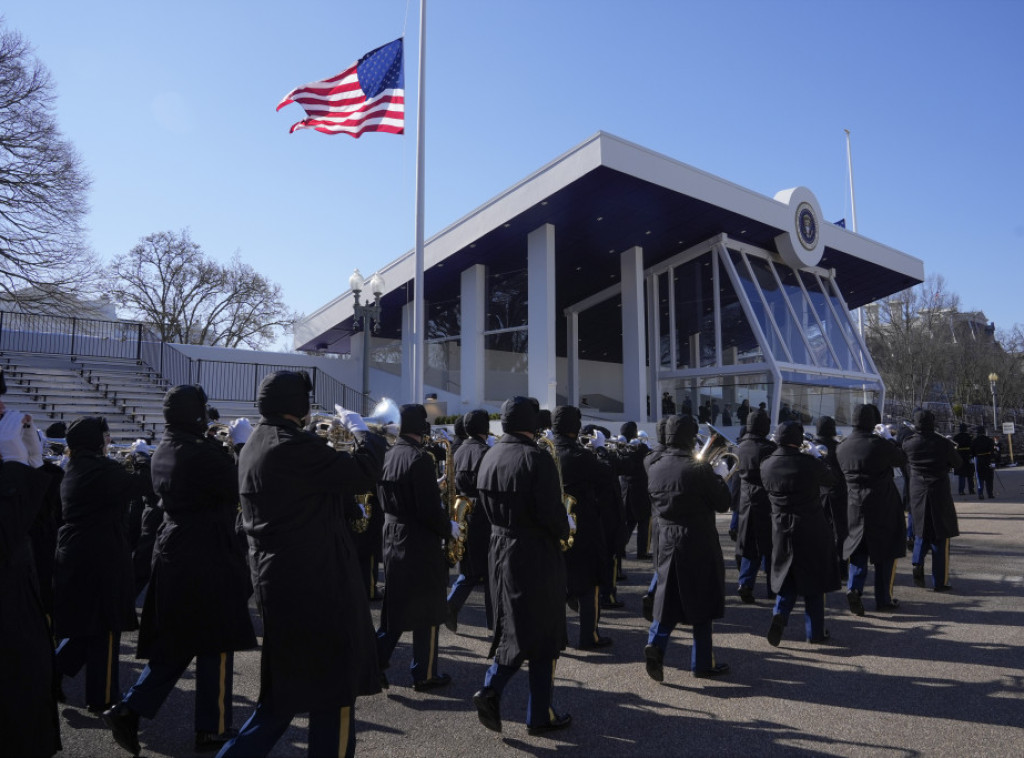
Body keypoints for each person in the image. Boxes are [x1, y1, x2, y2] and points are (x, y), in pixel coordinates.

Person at [218, 371, 386, 758]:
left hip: (281, 580)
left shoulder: (255, 443)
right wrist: (364, 432)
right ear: (301, 407)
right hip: (317, 583)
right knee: (336, 690)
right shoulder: (292, 445)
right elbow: (363, 472)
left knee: (285, 694)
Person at [102, 386, 257, 756]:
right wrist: (241, 447)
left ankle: (131, 708)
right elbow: (240, 484)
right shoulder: (199, 452)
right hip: (205, 551)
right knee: (217, 641)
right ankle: (213, 726)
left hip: (177, 547)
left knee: (184, 640)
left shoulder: (165, 448)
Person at [472, 396, 572, 735]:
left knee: (513, 624)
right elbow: (550, 511)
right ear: (533, 424)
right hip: (534, 551)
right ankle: (515, 701)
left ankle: (523, 705)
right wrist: (566, 526)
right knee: (543, 634)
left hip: (499, 547)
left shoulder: (491, 454)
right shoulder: (536, 458)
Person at [53, 417, 140, 714]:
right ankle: (103, 696)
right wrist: (141, 460)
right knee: (106, 626)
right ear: (94, 440)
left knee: (87, 626)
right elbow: (141, 486)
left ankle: (52, 671)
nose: (108, 441)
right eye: (105, 436)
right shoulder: (103, 469)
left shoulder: (75, 467)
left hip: (77, 552)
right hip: (100, 556)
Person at [643, 414, 731, 682]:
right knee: (702, 602)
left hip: (667, 539)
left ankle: (656, 644)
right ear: (691, 437)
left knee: (668, 599)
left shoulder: (655, 466)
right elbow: (723, 503)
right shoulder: (699, 469)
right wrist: (719, 477)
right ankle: (702, 663)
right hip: (698, 539)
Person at [376, 403, 455, 692]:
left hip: (393, 533)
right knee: (430, 608)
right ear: (422, 428)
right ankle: (425, 672)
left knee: (395, 609)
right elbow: (428, 511)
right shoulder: (420, 458)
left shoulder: (389, 454)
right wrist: (449, 527)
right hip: (419, 539)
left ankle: (374, 663)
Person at [0, 405, 62, 758]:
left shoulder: (12, 469)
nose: (5, 412)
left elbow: (41, 525)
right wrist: (12, 464)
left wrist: (34, 465)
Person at [761, 421, 841, 645]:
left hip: (780, 526)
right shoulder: (807, 463)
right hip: (810, 525)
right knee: (814, 582)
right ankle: (814, 632)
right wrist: (819, 457)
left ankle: (780, 612)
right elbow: (831, 480)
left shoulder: (766, 464)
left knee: (788, 576)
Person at [552, 406, 613, 650]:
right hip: (583, 524)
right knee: (590, 583)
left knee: (557, 582)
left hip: (552, 524)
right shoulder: (580, 455)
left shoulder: (545, 450)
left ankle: (558, 637)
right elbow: (607, 477)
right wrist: (600, 450)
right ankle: (590, 636)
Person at [836, 404, 907, 615]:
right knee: (885, 553)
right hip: (881, 503)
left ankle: (854, 589)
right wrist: (890, 439)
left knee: (858, 551)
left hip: (855, 504)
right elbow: (901, 459)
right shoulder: (879, 444)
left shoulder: (842, 446)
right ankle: (883, 598)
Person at [902, 409, 961, 592]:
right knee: (940, 537)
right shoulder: (942, 443)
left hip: (918, 490)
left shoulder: (908, 443)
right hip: (939, 490)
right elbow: (958, 463)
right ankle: (939, 581)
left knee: (921, 530)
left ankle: (917, 561)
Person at [446, 409, 494, 633]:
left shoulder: (458, 450)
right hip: (484, 514)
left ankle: (451, 606)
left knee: (470, 570)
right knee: (491, 572)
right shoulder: (485, 451)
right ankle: (496, 625)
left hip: (463, 511)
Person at [734, 408, 776, 603]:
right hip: (765, 499)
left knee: (749, 544)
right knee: (770, 545)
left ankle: (745, 583)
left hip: (745, 499)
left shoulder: (739, 446)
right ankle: (773, 587)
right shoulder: (768, 448)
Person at [815, 416, 848, 572]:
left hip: (818, 494)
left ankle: (821, 563)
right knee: (840, 531)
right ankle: (841, 565)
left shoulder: (812, 447)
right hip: (838, 492)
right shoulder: (839, 447)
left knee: (820, 529)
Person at [618, 420, 652, 560]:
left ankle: (620, 549)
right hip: (641, 491)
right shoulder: (641, 448)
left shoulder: (620, 448)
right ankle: (642, 552)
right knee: (643, 523)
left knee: (629, 523)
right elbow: (650, 455)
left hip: (626, 491)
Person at [971, 426, 996, 499]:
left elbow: (972, 452)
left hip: (979, 459)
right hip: (988, 459)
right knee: (989, 478)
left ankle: (980, 494)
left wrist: (973, 457)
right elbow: (992, 451)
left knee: (980, 477)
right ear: (984, 432)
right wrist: (993, 461)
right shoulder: (989, 440)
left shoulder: (974, 441)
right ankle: (990, 494)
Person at [951, 423, 975, 496]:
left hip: (960, 456)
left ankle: (961, 490)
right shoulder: (969, 437)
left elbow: (953, 448)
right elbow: (972, 447)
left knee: (962, 475)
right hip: (968, 456)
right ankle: (971, 490)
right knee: (970, 474)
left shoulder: (956, 437)